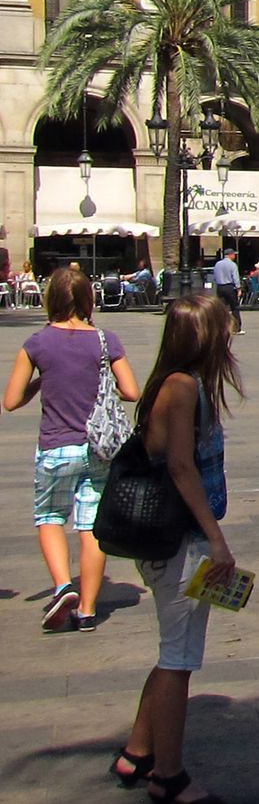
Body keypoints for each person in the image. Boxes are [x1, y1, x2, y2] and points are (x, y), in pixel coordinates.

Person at [113, 293, 239, 804]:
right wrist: (216, 538)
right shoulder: (184, 388)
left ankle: (137, 751)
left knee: (173, 651)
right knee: (178, 660)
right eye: (225, 327)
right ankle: (168, 775)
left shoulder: (177, 383)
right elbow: (182, 468)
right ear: (208, 337)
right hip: (181, 540)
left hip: (173, 539)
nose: (232, 334)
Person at [3, 267, 140, 634]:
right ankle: (89, 610)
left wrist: (40, 382)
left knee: (49, 517)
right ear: (87, 299)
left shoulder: (37, 343)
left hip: (56, 447)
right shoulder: (105, 340)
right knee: (92, 527)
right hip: (98, 449)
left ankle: (64, 586)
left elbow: (11, 401)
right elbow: (131, 391)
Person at [210, 246, 242, 336]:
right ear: (230, 255)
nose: (234, 256)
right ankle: (237, 328)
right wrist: (239, 288)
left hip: (220, 287)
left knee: (221, 308)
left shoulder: (217, 264)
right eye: (234, 255)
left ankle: (220, 327)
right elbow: (236, 278)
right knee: (234, 307)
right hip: (230, 287)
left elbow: (215, 277)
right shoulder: (232, 265)